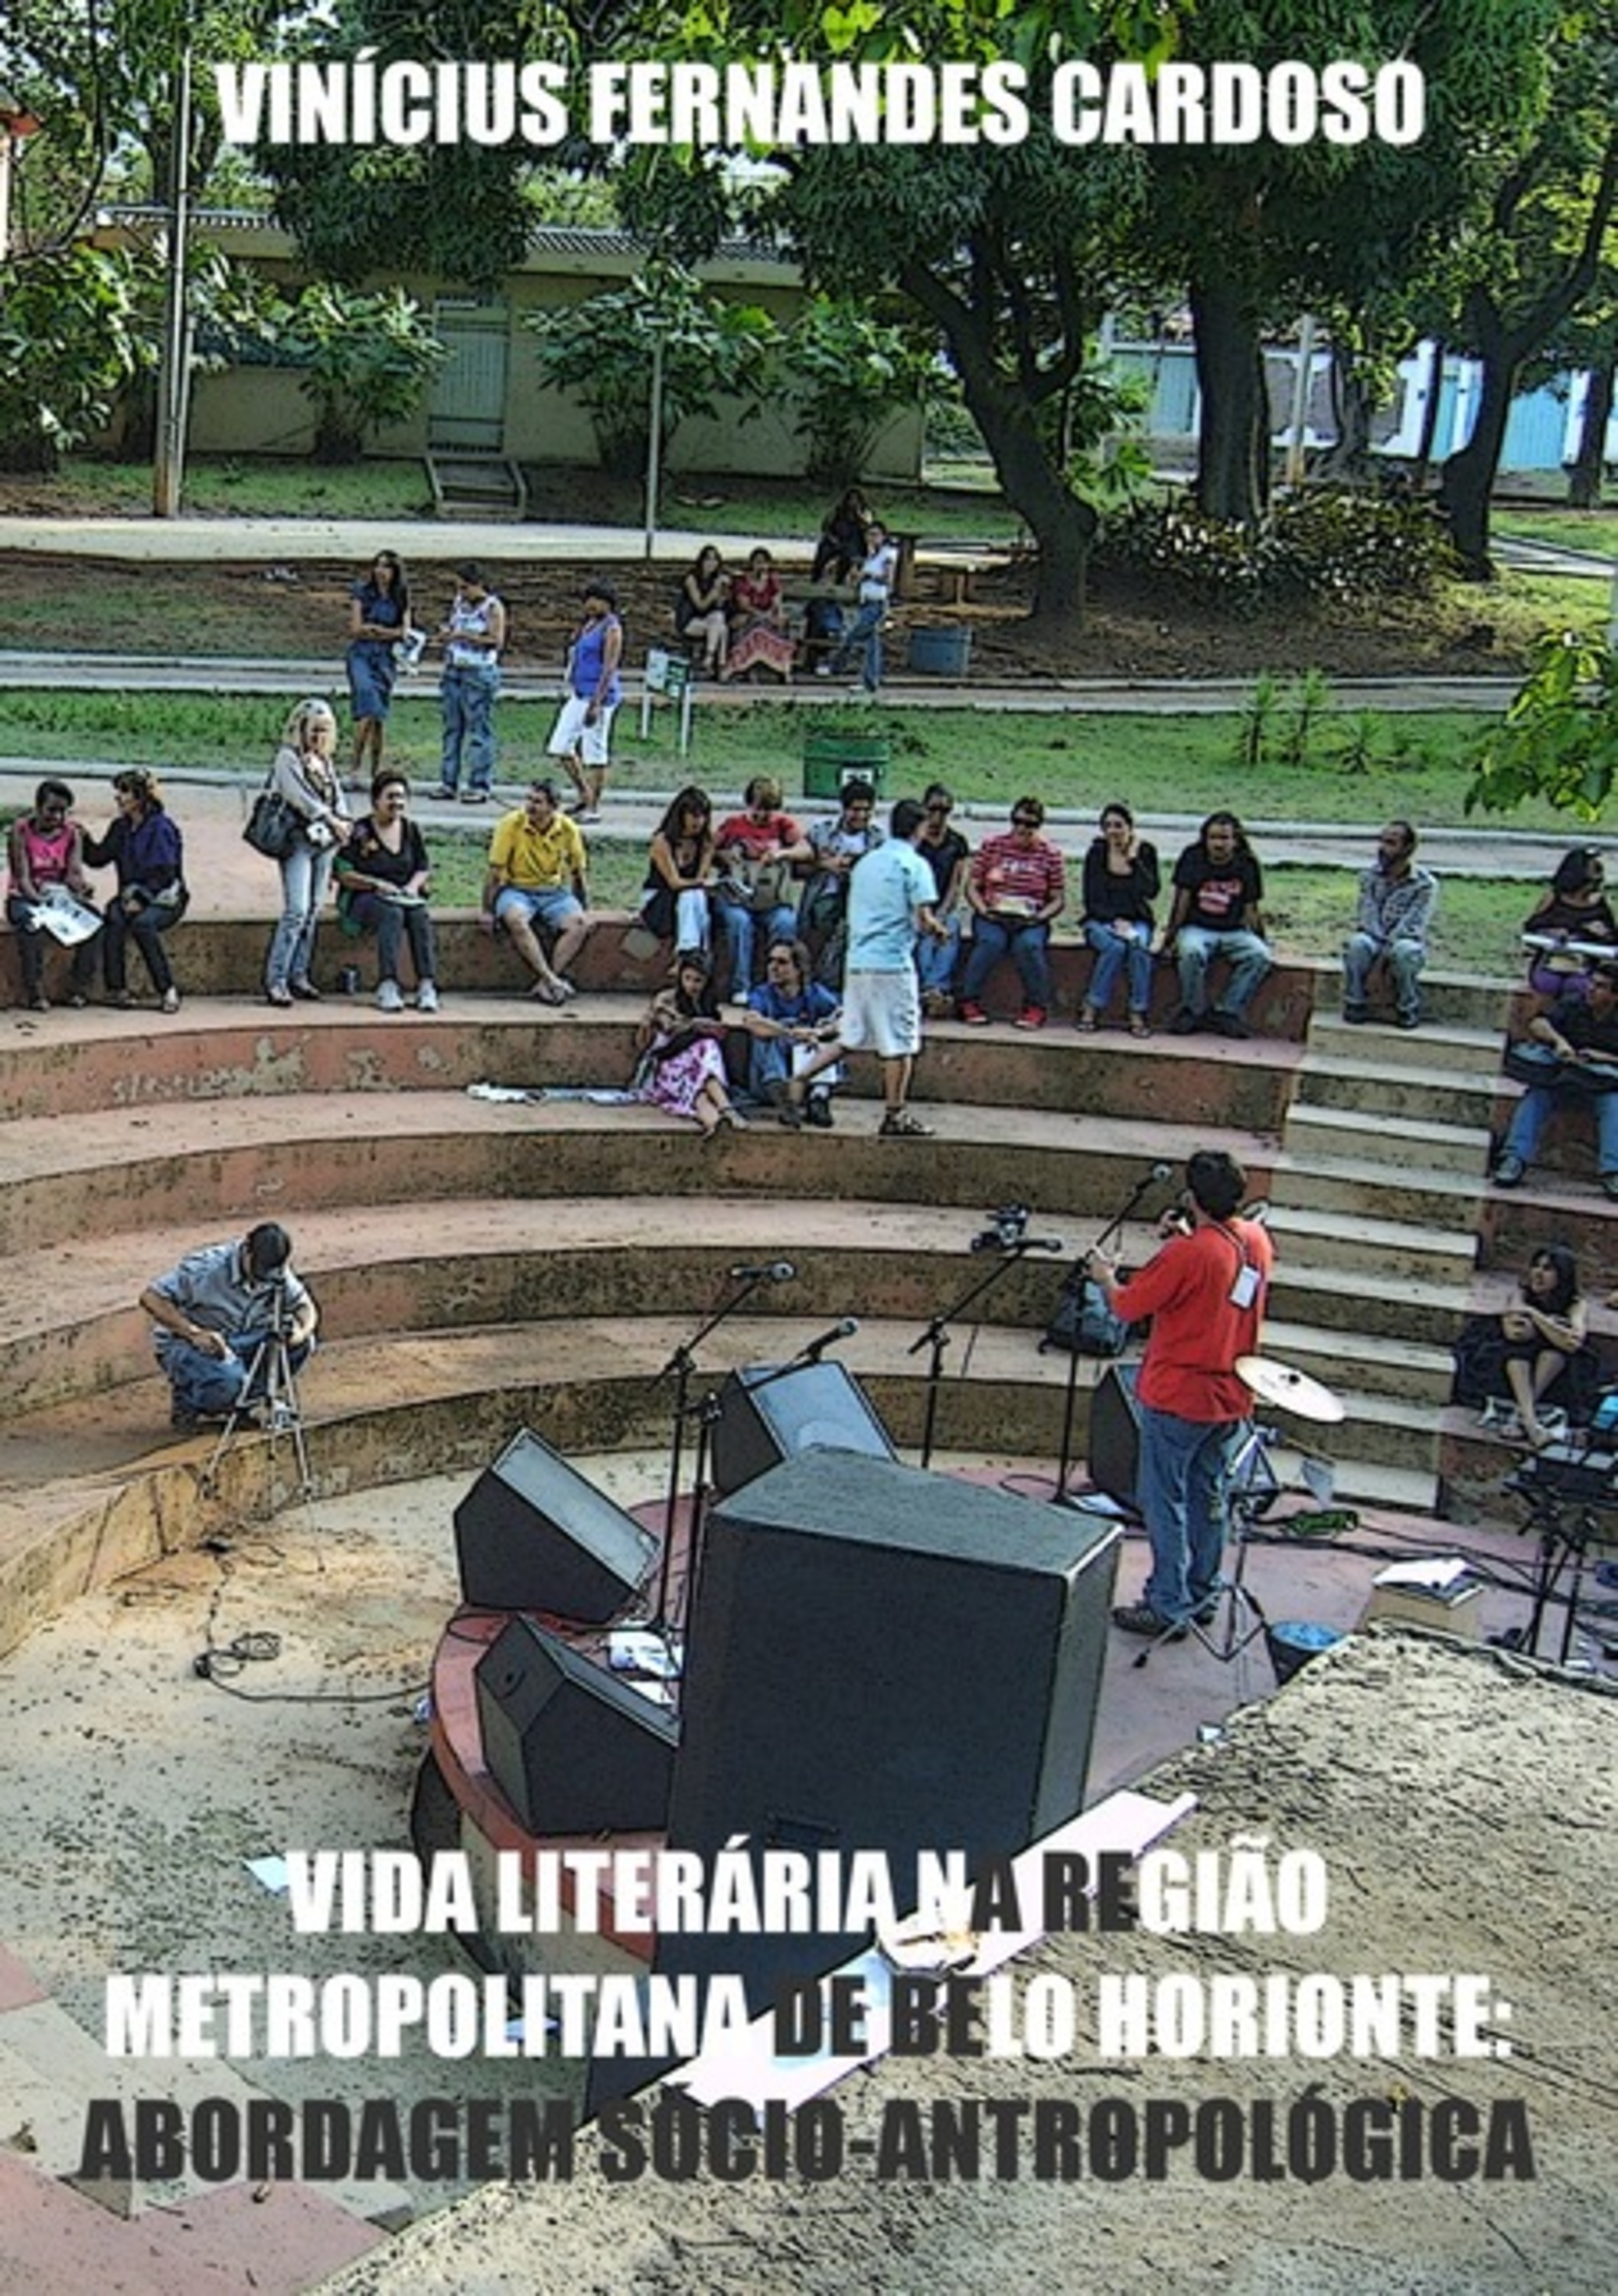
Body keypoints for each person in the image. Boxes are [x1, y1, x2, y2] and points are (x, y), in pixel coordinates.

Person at [1085, 1150, 1274, 1639]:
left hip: (1180, 1395)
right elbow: (1216, 1279)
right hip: (1231, 1393)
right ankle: (1202, 1591)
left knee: (1163, 1499)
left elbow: (1129, 1306)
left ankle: (1167, 1603)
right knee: (1208, 1494)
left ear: (1193, 1197)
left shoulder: (1188, 1254)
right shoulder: (1255, 1239)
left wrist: (1106, 1278)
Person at [784, 797, 946, 1140]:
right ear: (920, 828)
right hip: (892, 964)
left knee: (850, 1034)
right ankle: (895, 1113)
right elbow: (923, 917)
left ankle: (799, 1078)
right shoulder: (913, 866)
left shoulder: (867, 863)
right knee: (900, 1042)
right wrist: (937, 930)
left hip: (858, 961)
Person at [140, 1221, 319, 1433]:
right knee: (228, 1383)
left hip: (244, 1337)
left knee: (304, 1344)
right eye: (258, 1270)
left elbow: (305, 1308)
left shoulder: (276, 1270)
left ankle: (251, 1401)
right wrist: (193, 1332)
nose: (261, 1278)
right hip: (192, 1343)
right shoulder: (206, 1268)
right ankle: (190, 1401)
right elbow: (151, 1297)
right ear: (246, 1250)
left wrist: (298, 1333)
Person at [1452, 1246, 1597, 1449]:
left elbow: (1573, 1342)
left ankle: (1521, 1416)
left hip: (1550, 1372)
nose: (1538, 1273)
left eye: (1547, 1269)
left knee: (1554, 1356)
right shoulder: (1520, 1294)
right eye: (1536, 1267)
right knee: (1517, 1356)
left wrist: (1535, 1317)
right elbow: (1516, 1333)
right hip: (1511, 1363)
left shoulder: (1575, 1304)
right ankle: (1530, 1423)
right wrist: (1553, 1327)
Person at [1492, 963, 1618, 1198]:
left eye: (1601, 987)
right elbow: (1538, 1023)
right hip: (1564, 1078)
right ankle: (1514, 1159)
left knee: (1614, 1106)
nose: (1591, 989)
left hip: (1604, 1084)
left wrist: (1605, 1057)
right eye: (1592, 983)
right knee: (1536, 1095)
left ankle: (1613, 1172)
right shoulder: (1574, 1003)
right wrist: (1559, 1042)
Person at [261, 697, 351, 1008]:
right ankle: (276, 979)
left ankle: (299, 974)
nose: (318, 738)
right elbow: (299, 797)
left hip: (324, 843)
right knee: (296, 910)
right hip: (297, 839)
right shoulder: (288, 758)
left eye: (324, 731)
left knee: (313, 910)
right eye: (314, 730)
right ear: (300, 728)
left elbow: (338, 798)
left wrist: (344, 822)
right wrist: (330, 818)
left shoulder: (324, 761)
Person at [80, 769, 188, 1014]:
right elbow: (99, 857)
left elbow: (165, 874)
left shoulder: (161, 828)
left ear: (140, 798)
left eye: (125, 792)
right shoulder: (120, 827)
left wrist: (142, 898)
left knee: (143, 924)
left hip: (165, 897)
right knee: (114, 916)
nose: (118, 798)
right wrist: (84, 839)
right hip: (130, 895)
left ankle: (167, 988)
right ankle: (116, 988)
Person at [957, 797, 1067, 1030]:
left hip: (1031, 916)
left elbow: (1058, 898)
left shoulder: (1050, 855)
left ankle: (1036, 1005)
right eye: (1017, 822)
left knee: (1028, 946)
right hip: (993, 913)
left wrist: (1040, 917)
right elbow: (972, 885)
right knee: (990, 943)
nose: (1022, 829)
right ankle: (969, 999)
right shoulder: (993, 846)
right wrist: (983, 909)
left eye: (1030, 824)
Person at [334, 772, 439, 1013]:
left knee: (419, 916)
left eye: (401, 797)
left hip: (404, 895)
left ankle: (426, 984)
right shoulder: (359, 831)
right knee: (392, 914)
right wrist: (375, 884)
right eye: (390, 797)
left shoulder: (411, 830)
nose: (397, 803)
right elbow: (343, 873)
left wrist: (412, 887)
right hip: (365, 896)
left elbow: (423, 867)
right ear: (376, 800)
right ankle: (388, 984)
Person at [1163, 811, 1273, 1039]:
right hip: (1197, 928)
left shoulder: (1248, 863)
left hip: (1234, 931)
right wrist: (1170, 939)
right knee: (1192, 952)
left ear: (1235, 840)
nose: (1218, 844)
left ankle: (1227, 1012)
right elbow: (1180, 901)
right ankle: (1193, 1010)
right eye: (1213, 838)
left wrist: (1262, 939)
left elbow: (1252, 909)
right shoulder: (1192, 857)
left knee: (1260, 956)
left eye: (1224, 838)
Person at [481, 778, 589, 1006]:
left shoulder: (568, 829)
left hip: (555, 892)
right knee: (516, 919)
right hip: (517, 889)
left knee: (579, 925)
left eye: (538, 802)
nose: (530, 806)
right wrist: (487, 910)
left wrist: (584, 907)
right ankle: (551, 979)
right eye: (529, 800)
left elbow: (578, 873)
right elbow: (494, 871)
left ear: (553, 807)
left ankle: (546, 982)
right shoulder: (511, 824)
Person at [5, 778, 100, 1013]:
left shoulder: (72, 834)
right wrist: (39, 903)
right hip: (26, 896)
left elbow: (73, 873)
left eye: (62, 811)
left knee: (95, 923)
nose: (57, 817)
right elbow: (22, 876)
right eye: (51, 810)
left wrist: (81, 889)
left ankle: (79, 986)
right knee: (31, 927)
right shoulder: (20, 830)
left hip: (58, 896)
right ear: (38, 808)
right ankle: (35, 990)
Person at [713, 775, 811, 994]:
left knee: (785, 922)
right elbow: (709, 847)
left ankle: (778, 984)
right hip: (738, 899)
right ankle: (741, 986)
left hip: (773, 899)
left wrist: (782, 853)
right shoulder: (733, 825)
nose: (763, 816)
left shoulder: (783, 825)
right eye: (758, 809)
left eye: (769, 810)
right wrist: (727, 856)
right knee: (740, 923)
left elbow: (807, 849)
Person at [634, 951, 747, 1137]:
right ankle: (728, 1109)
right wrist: (690, 1025)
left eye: (698, 980)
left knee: (699, 1093)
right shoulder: (667, 1000)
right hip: (668, 1068)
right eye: (688, 978)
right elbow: (662, 1033)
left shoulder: (708, 1004)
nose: (692, 985)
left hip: (695, 1069)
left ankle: (715, 1123)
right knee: (706, 1047)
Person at [1342, 820, 1437, 1030]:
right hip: (1374, 937)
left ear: (1407, 848)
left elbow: (1412, 925)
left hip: (1404, 941)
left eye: (1391, 843)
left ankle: (1408, 1008)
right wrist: (1378, 949)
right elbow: (1367, 916)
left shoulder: (1425, 885)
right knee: (1357, 945)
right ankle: (1355, 1003)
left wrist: (1381, 961)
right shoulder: (1369, 877)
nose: (1383, 848)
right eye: (1382, 841)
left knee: (1404, 952)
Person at [1079, 801, 1160, 1038]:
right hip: (1101, 920)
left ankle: (1137, 1011)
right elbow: (1091, 898)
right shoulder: (1097, 854)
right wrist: (1114, 922)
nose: (1113, 831)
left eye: (1119, 825)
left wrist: (1134, 860)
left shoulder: (1146, 852)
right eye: (1108, 826)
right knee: (1114, 948)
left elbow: (1151, 891)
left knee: (1138, 947)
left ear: (1130, 827)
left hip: (1136, 921)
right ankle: (1092, 1007)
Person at [744, 935, 841, 1124]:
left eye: (782, 962)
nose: (773, 967)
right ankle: (783, 1096)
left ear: (799, 969)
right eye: (771, 961)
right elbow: (752, 1022)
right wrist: (793, 1033)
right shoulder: (762, 993)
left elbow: (844, 1019)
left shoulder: (814, 993)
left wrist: (817, 1033)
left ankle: (818, 1098)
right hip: (767, 1079)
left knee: (826, 1037)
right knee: (770, 1036)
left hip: (805, 1077)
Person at [798, 778, 884, 987]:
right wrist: (825, 865)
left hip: (863, 900)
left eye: (866, 810)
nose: (861, 816)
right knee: (826, 920)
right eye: (856, 810)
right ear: (844, 809)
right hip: (826, 896)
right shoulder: (821, 832)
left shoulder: (877, 839)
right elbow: (798, 869)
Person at [550, 579, 623, 823]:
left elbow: (609, 667)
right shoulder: (589, 626)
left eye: (596, 601)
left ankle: (593, 807)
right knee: (560, 745)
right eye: (588, 601)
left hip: (598, 697)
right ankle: (584, 793)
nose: (590, 606)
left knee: (595, 751)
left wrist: (597, 702)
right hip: (579, 693)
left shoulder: (611, 629)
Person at [432, 563, 505, 804]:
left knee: (478, 729)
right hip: (455, 668)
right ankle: (448, 781)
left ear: (479, 585)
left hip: (479, 672)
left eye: (466, 587)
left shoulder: (492, 607)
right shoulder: (459, 604)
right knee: (452, 728)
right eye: (459, 587)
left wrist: (463, 636)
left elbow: (495, 639)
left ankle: (479, 783)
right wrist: (447, 635)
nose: (462, 592)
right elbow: (454, 627)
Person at [346, 550, 412, 784]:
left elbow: (404, 632)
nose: (381, 572)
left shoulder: (401, 596)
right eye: (378, 566)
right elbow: (356, 628)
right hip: (362, 656)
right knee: (367, 708)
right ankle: (354, 766)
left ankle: (375, 768)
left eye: (386, 567)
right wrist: (383, 632)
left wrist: (376, 630)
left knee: (379, 715)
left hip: (385, 658)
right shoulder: (362, 593)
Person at [1522, 846, 1618, 1003]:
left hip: (1583, 964)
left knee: (1580, 987)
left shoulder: (1600, 903)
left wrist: (1601, 933)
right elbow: (1532, 927)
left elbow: (1612, 939)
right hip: (1551, 961)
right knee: (1546, 984)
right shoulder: (1554, 897)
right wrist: (1554, 932)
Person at [819, 519, 899, 693]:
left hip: (877, 604)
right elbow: (855, 580)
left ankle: (835, 667)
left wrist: (867, 575)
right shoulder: (870, 557)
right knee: (872, 646)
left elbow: (888, 580)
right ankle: (870, 682)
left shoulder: (887, 556)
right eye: (869, 535)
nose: (872, 538)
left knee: (852, 636)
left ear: (883, 537)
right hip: (865, 602)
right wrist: (856, 577)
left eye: (876, 535)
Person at [915, 781, 971, 1018]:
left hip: (943, 905)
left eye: (944, 811)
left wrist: (941, 913)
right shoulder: (916, 842)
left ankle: (933, 988)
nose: (937, 817)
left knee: (950, 927)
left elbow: (956, 884)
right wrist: (925, 914)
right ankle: (934, 990)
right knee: (925, 938)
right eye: (933, 809)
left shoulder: (957, 843)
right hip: (917, 906)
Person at [640, 787, 715, 957]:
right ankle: (692, 952)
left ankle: (690, 948)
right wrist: (701, 884)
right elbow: (674, 882)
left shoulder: (705, 843)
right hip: (660, 897)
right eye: (694, 816)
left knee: (694, 896)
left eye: (703, 816)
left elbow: (701, 877)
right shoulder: (663, 841)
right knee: (691, 895)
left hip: (691, 900)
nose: (699, 822)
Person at [723, 547, 795, 683]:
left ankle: (783, 668)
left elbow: (777, 603)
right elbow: (743, 605)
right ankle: (736, 666)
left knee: (780, 626)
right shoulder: (743, 581)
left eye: (764, 563)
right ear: (752, 564)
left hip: (767, 618)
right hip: (748, 617)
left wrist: (778, 614)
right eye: (758, 562)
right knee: (756, 626)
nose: (761, 566)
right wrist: (762, 615)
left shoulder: (772, 581)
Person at [674, 546, 729, 676]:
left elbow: (719, 607)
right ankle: (717, 665)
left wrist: (724, 592)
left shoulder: (715, 579)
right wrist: (714, 591)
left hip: (709, 623)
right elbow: (700, 605)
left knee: (720, 623)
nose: (711, 563)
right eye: (708, 559)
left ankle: (712, 661)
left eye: (715, 560)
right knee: (721, 629)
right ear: (701, 561)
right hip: (689, 621)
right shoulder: (692, 579)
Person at [812, 488, 872, 585]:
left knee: (848, 557)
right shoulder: (837, 511)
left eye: (856, 500)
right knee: (824, 552)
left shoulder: (865, 512)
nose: (852, 502)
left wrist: (859, 515)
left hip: (853, 542)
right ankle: (816, 577)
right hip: (836, 540)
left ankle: (840, 580)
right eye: (851, 499)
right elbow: (826, 527)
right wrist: (832, 539)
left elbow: (868, 527)